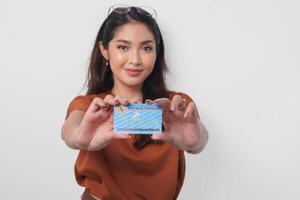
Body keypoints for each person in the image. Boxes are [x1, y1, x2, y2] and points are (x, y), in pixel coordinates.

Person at [61, 5, 208, 200]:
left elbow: (199, 138)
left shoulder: (174, 107)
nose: (135, 59)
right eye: (123, 47)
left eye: (146, 48)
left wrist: (195, 141)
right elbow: (70, 130)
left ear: (157, 52)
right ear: (104, 50)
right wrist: (79, 137)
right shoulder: (90, 106)